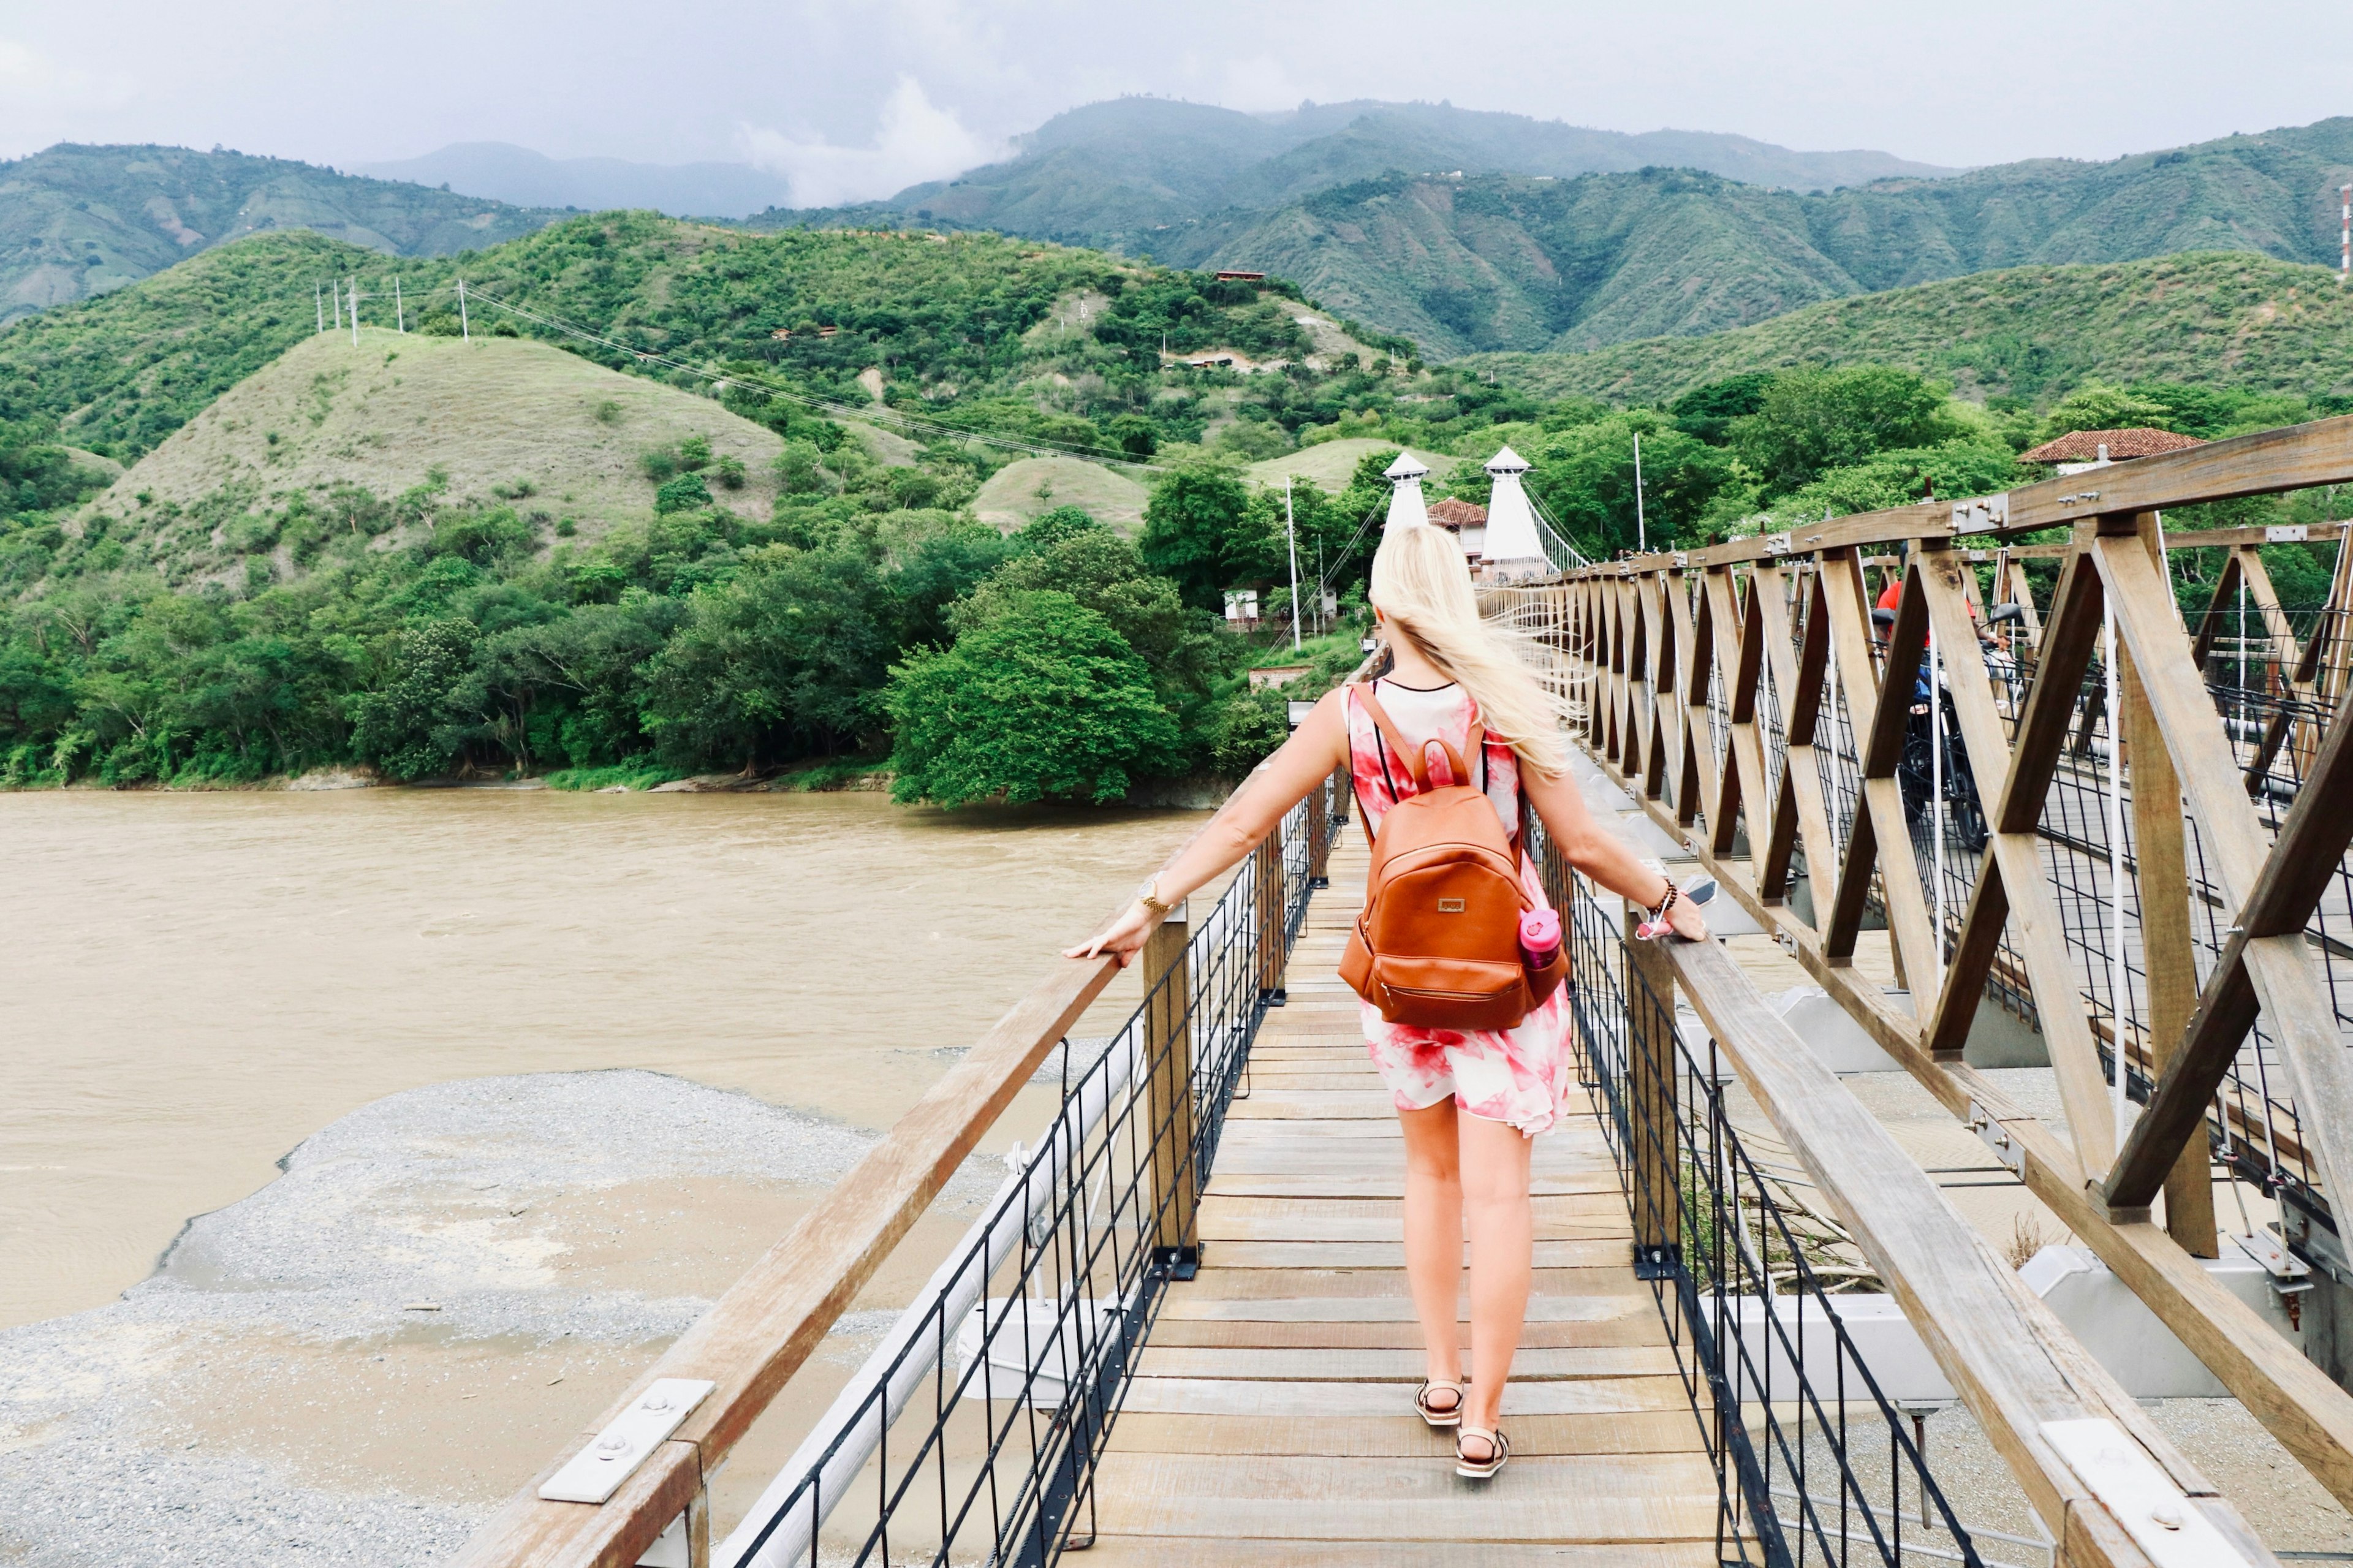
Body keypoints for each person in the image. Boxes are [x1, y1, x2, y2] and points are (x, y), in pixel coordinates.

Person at [1069, 523, 1708, 1480]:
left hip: (1400, 975)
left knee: (1430, 1177)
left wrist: (1145, 907)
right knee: (1501, 1196)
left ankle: (1441, 1377)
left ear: (1376, 609)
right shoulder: (1505, 709)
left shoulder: (1348, 712)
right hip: (1511, 975)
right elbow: (1582, 847)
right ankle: (1484, 1422)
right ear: (1463, 600)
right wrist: (1666, 899)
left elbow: (1245, 823)